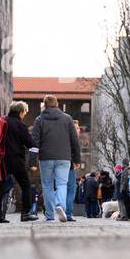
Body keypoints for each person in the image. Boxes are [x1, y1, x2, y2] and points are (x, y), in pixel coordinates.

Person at [31, 94, 82, 223]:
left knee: (47, 185)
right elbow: (74, 141)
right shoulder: (67, 119)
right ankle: (60, 205)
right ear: (57, 104)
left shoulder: (39, 120)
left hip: (46, 157)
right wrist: (77, 159)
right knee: (62, 184)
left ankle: (49, 214)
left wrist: (32, 161)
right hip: (64, 157)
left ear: (45, 105)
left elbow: (35, 142)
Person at [0, 102, 35, 223]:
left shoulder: (2, 121)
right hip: (16, 159)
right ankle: (25, 213)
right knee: (25, 185)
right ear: (20, 111)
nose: (24, 114)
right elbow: (29, 143)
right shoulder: (19, 124)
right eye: (25, 112)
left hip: (1, 160)